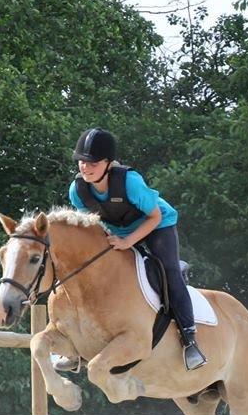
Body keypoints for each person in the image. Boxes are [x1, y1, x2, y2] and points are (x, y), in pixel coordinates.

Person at [65, 127, 207, 371]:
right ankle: (78, 344)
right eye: (81, 162)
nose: (85, 168)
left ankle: (189, 340)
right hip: (116, 230)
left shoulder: (130, 182)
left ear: (108, 163)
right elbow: (92, 225)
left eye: (92, 163)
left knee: (168, 270)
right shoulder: (77, 191)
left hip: (156, 225)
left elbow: (153, 216)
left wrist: (129, 242)